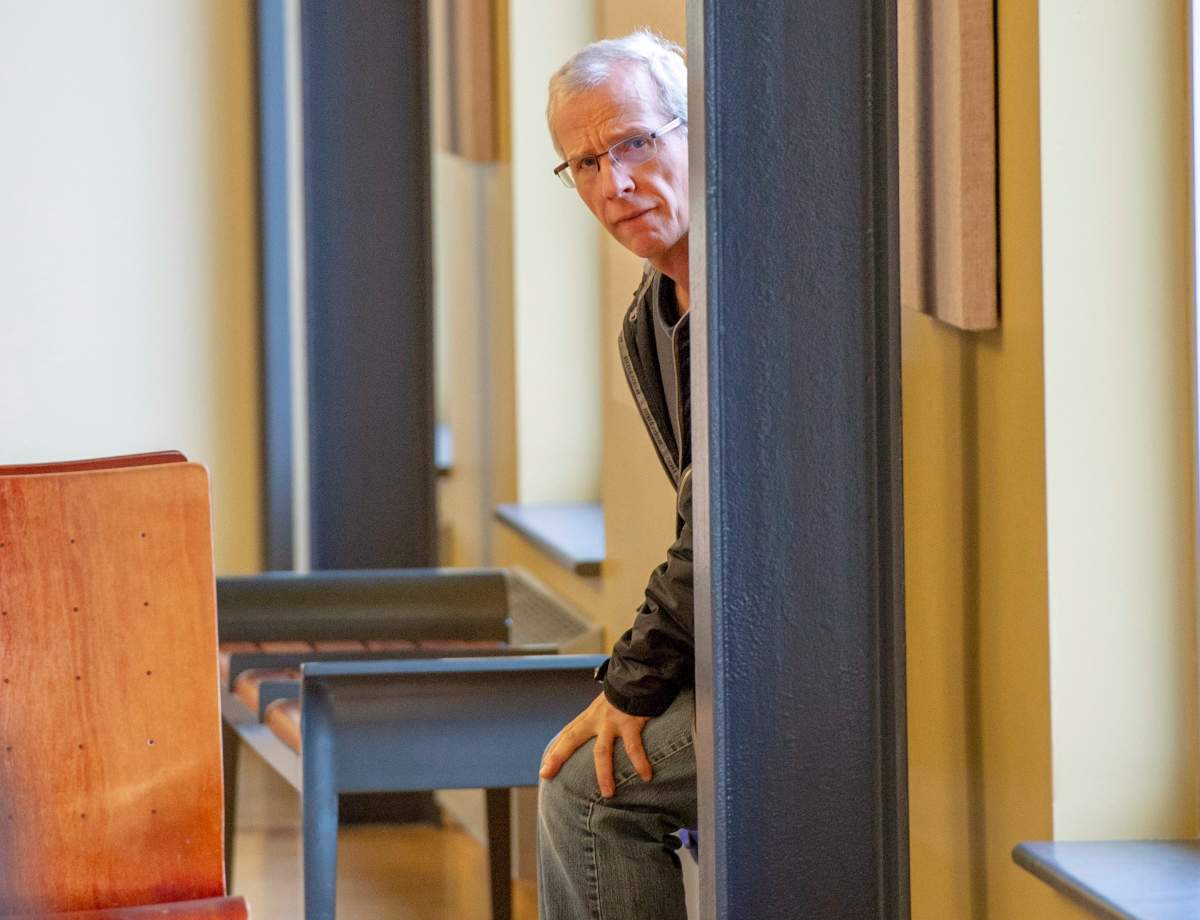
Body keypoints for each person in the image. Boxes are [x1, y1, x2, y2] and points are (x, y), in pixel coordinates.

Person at [537, 29, 697, 920]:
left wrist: (631, 684)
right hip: (719, 657)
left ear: (695, 128)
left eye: (634, 142)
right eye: (585, 163)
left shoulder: (747, 290)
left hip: (813, 670)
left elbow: (725, 523)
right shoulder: (650, 314)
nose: (613, 184)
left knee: (586, 794)